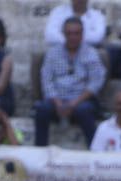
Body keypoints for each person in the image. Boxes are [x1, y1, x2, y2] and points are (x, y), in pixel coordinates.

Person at [35, 17, 106, 147]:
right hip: (57, 101)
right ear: (64, 34)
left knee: (84, 110)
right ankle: (40, 152)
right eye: (69, 33)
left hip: (81, 101)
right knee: (41, 109)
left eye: (76, 33)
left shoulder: (91, 53)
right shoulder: (52, 53)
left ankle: (96, 152)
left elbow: (95, 83)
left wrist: (74, 103)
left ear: (82, 34)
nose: (73, 37)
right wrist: (58, 103)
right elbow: (47, 81)